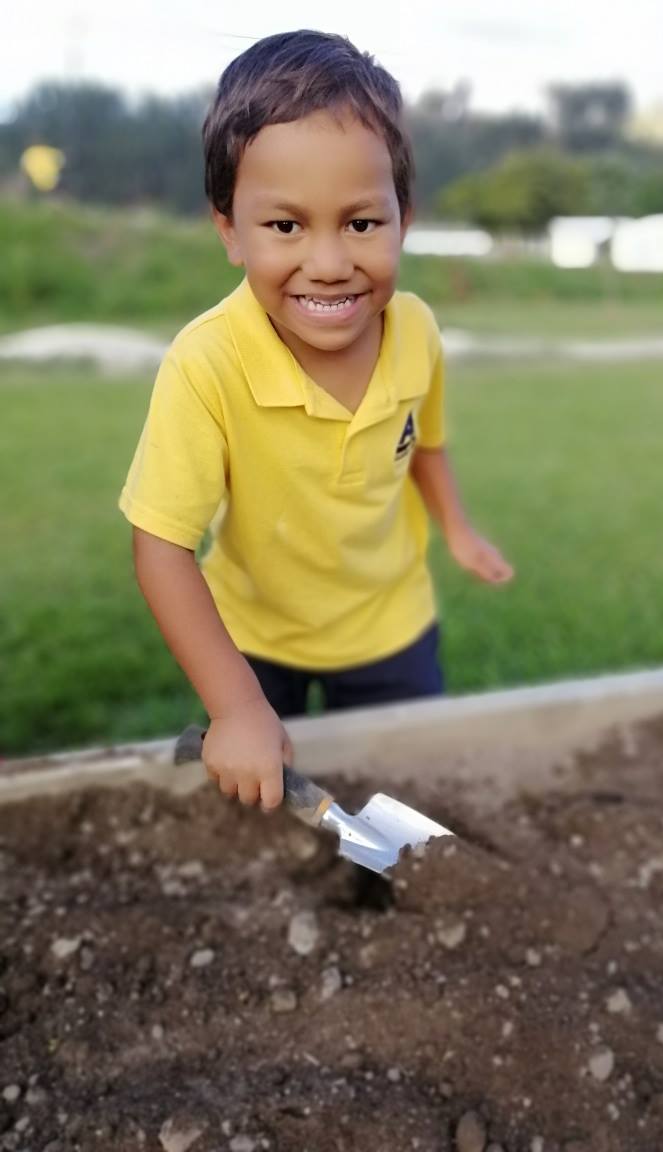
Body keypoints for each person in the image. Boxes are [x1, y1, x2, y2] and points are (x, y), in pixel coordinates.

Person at [120, 29, 513, 812]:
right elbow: (161, 546)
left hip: (391, 628)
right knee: (264, 807)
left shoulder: (417, 331)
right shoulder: (207, 364)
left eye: (362, 223)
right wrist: (236, 707)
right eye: (286, 226)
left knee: (408, 804)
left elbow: (424, 442)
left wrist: (459, 530)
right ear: (229, 229)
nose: (329, 264)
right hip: (256, 639)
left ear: (404, 218)